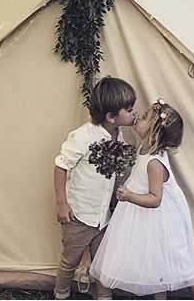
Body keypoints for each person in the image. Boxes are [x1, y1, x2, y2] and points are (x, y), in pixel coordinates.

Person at [90, 100, 194, 300]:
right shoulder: (144, 146)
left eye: (143, 118)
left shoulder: (154, 163)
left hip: (158, 215)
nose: (137, 117)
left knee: (177, 261)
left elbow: (155, 199)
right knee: (153, 261)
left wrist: (129, 195)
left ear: (154, 132)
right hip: (141, 215)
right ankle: (158, 295)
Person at [54, 77, 137, 301]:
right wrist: (62, 203)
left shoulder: (119, 133)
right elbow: (61, 165)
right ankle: (61, 294)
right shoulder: (82, 136)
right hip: (79, 216)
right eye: (129, 110)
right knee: (69, 260)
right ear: (111, 116)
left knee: (103, 262)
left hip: (104, 217)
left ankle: (103, 296)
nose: (134, 114)